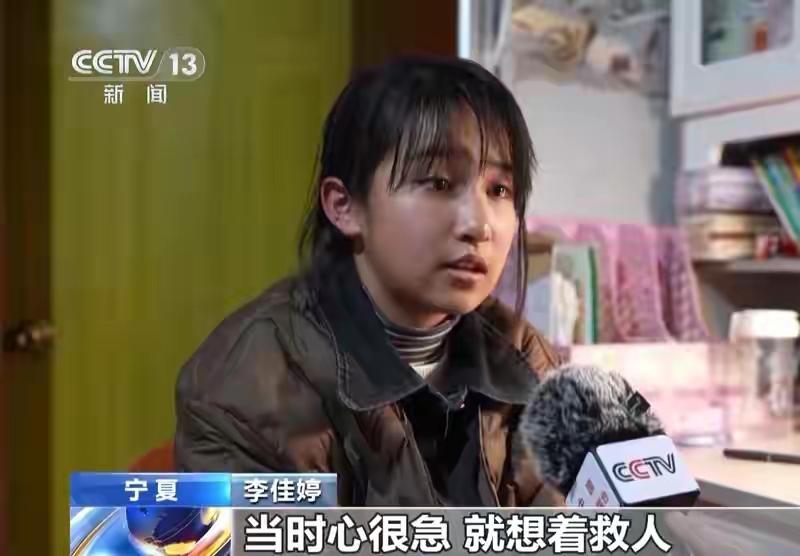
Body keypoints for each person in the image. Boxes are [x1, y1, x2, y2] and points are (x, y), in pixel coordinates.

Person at [174, 56, 564, 506]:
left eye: (499, 190)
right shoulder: (246, 386)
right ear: (345, 206)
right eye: (439, 183)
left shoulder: (522, 357)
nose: (479, 225)